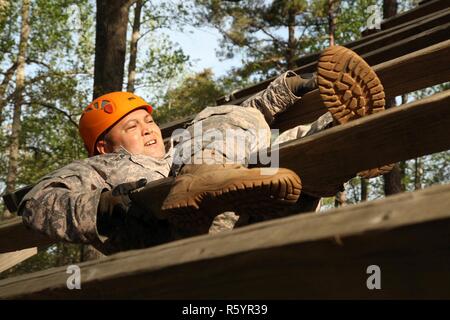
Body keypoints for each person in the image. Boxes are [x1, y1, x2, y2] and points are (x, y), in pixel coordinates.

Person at [18, 46, 392, 255]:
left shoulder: (178, 150)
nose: (148, 129)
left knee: (269, 151)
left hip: (255, 212)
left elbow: (243, 119)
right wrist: (105, 208)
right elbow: (36, 200)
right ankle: (332, 148)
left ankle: (342, 139)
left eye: (148, 121)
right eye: (132, 126)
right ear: (104, 146)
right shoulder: (100, 170)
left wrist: (290, 87)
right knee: (212, 122)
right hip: (172, 237)